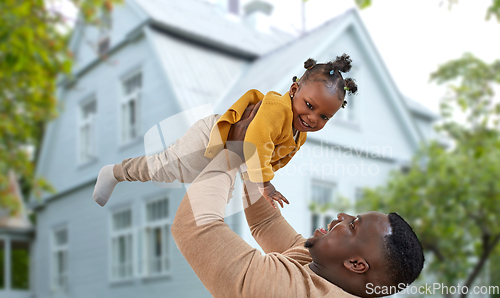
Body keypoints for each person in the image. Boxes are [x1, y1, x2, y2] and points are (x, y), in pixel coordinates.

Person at [171, 103, 425, 298]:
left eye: (352, 226)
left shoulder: (289, 291)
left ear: (356, 264)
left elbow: (194, 227)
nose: (342, 216)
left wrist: (233, 149)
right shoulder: (322, 268)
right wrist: (257, 150)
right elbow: (266, 222)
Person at [92, 54, 358, 208]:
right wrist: (265, 183)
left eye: (324, 116)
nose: (312, 118)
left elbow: (273, 157)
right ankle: (116, 172)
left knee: (217, 201)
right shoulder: (278, 107)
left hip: (232, 157)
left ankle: (203, 231)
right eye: (309, 106)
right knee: (165, 168)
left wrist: (258, 183)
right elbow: (256, 140)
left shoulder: (300, 133)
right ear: (294, 91)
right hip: (212, 137)